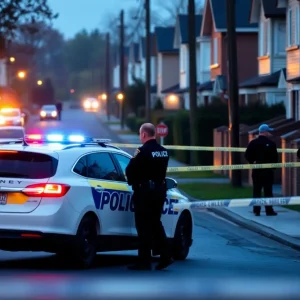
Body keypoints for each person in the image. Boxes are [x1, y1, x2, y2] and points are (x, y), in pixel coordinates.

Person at [125, 123, 173, 271]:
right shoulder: (163, 152)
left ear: (144, 134)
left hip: (145, 193)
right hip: (159, 191)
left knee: (143, 226)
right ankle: (165, 256)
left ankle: (144, 261)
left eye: (140, 134)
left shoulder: (142, 151)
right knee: (156, 224)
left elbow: (130, 170)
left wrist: (133, 181)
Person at [245, 124, 278, 216]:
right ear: (265, 132)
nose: (269, 133)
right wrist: (272, 167)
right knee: (268, 191)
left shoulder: (253, 143)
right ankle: (269, 210)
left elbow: (247, 155)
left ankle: (256, 210)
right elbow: (275, 158)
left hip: (257, 170)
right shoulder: (271, 144)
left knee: (257, 190)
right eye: (268, 131)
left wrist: (253, 162)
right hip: (268, 171)